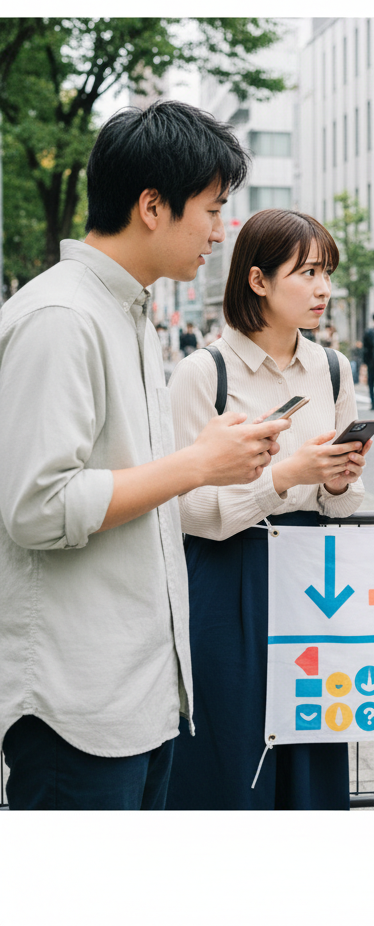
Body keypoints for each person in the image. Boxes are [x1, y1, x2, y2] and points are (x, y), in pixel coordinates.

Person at [0, 99, 290, 810]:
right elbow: (37, 507)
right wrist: (198, 464)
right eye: (212, 211)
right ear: (153, 206)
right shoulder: (61, 318)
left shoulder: (125, 312)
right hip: (77, 710)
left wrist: (207, 456)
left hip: (140, 697)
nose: (220, 232)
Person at [165, 208, 368, 810]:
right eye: (307, 273)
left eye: (326, 273)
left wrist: (338, 483)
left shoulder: (334, 369)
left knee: (312, 745)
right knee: (228, 752)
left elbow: (340, 505)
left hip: (311, 584)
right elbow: (183, 508)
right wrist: (283, 477)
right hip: (225, 579)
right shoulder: (204, 373)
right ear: (258, 280)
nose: (323, 289)